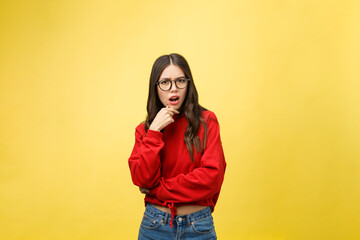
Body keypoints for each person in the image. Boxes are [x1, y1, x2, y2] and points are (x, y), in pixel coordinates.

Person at [128, 53, 226, 239]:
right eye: (165, 82)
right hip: (155, 226)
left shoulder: (207, 121)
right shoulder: (145, 131)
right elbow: (143, 179)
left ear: (188, 84)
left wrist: (158, 190)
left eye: (180, 81)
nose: (174, 89)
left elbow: (211, 178)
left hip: (199, 227)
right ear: (155, 88)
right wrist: (155, 131)